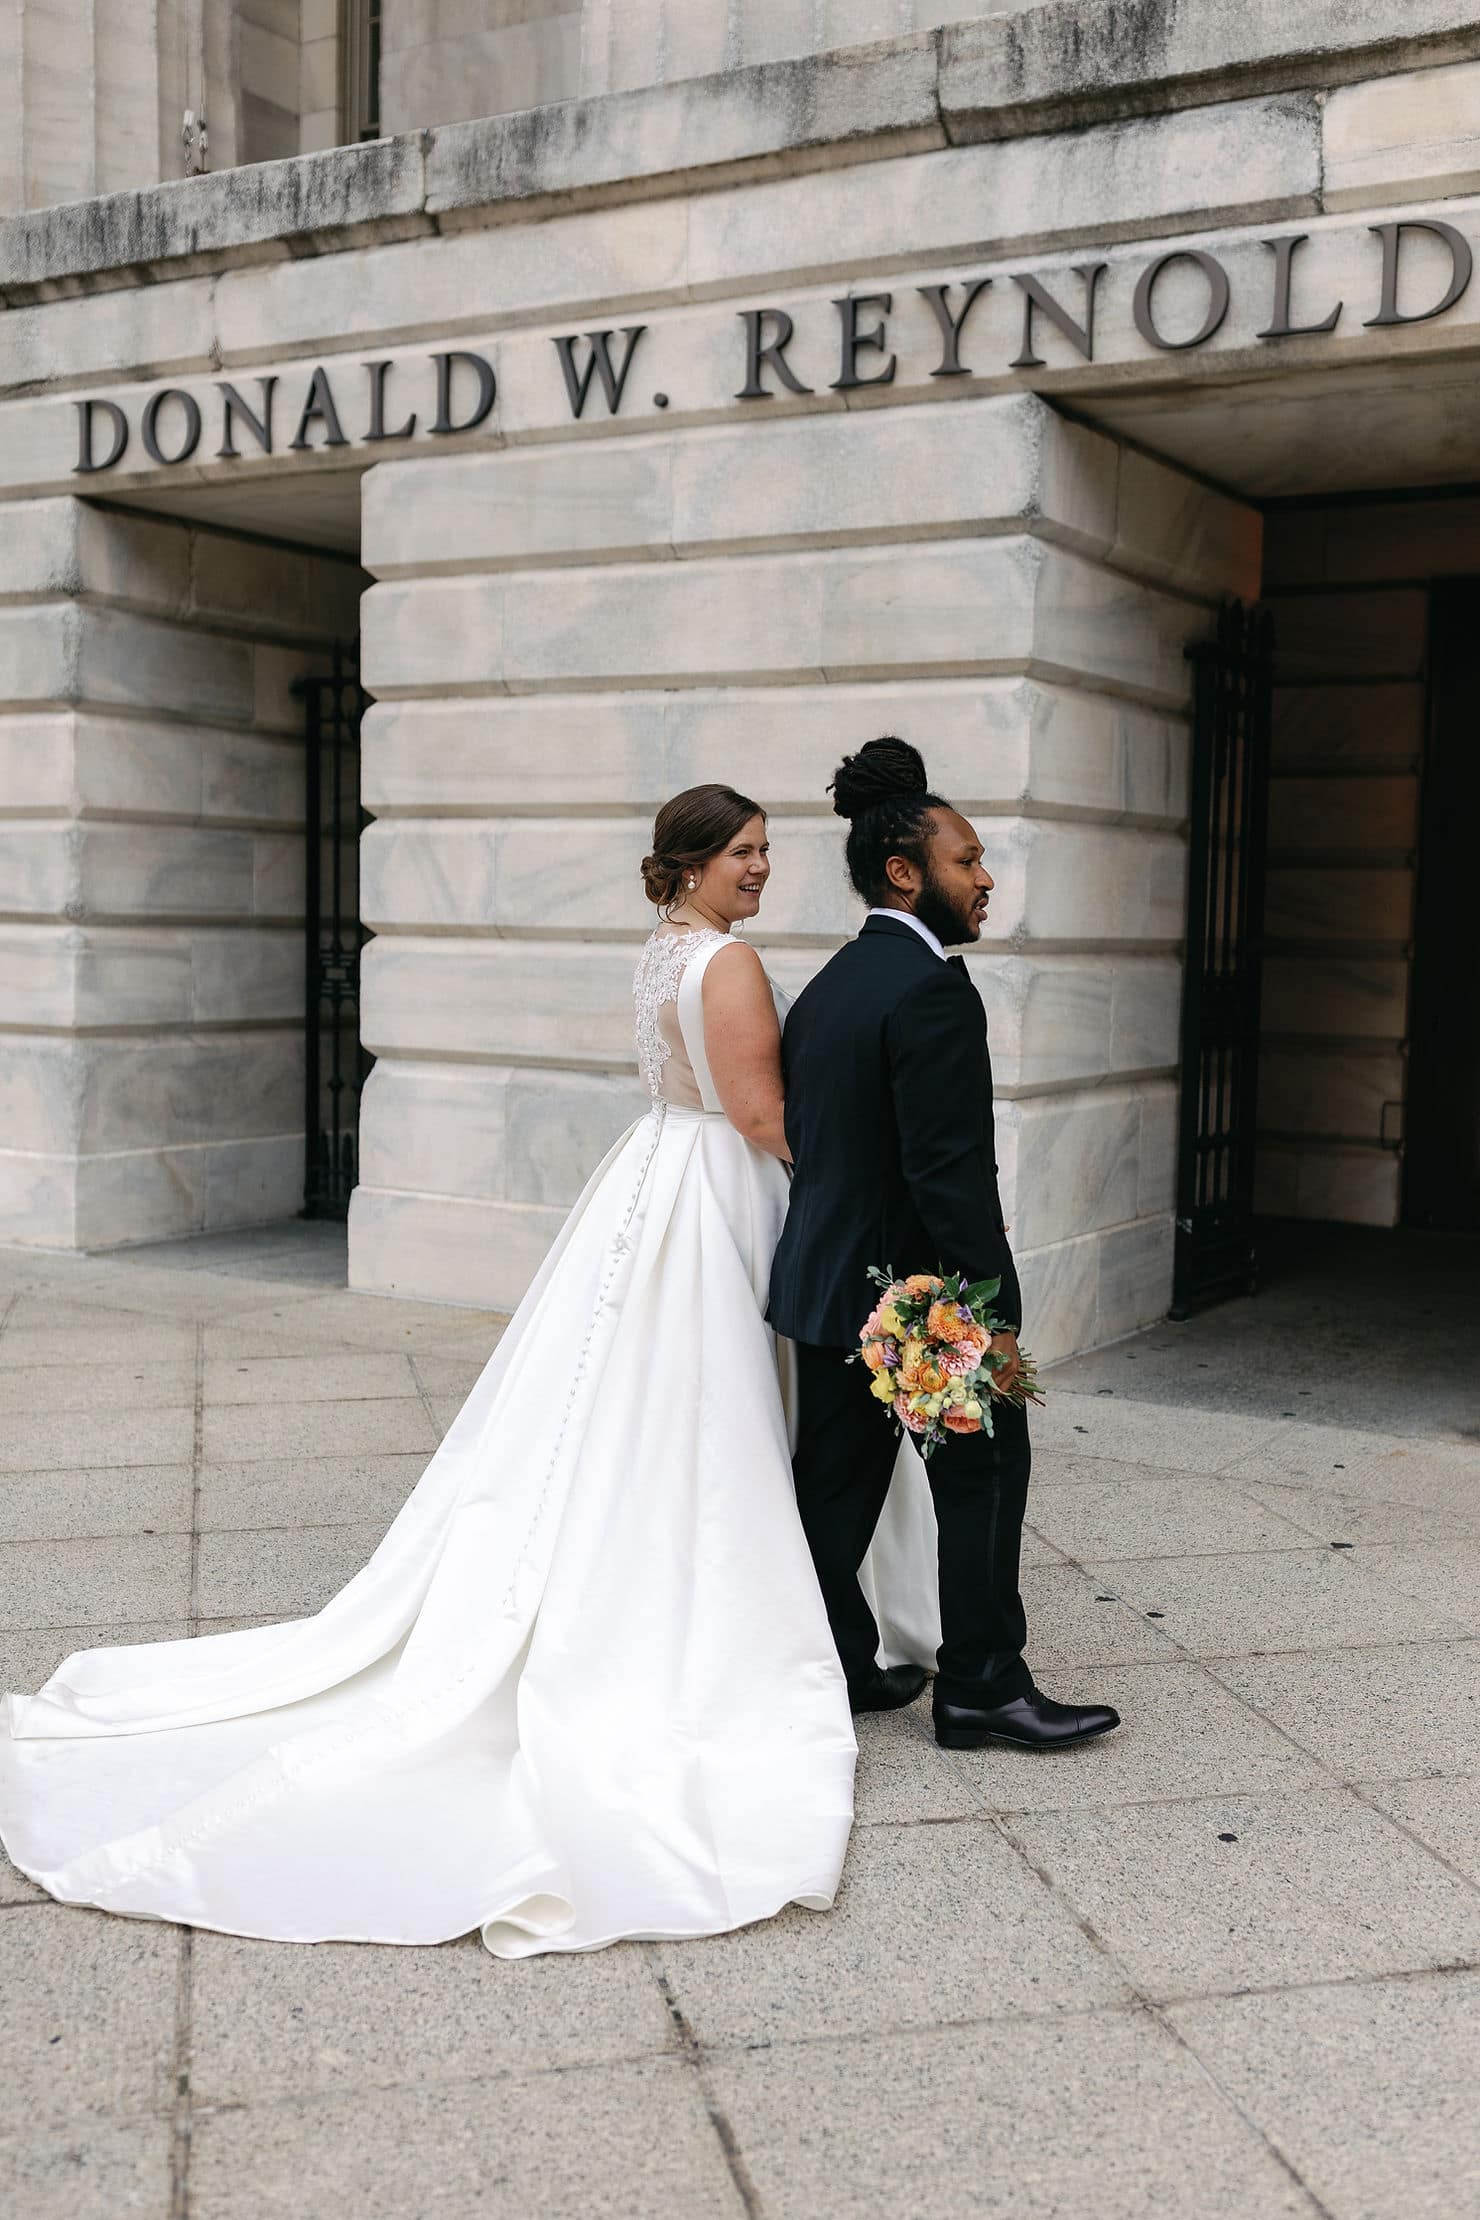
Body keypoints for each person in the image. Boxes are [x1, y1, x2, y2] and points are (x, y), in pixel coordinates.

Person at [0, 786, 857, 1957]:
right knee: (699, 1410)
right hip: (711, 1189)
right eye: (745, 852)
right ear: (693, 864)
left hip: (652, 1171)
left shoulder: (664, 952)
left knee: (629, 1404)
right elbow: (759, 1112)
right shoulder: (730, 966)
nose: (763, 867)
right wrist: (857, 1187)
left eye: (768, 850)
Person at [770, 738, 1121, 1753]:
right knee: (984, 1475)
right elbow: (945, 1174)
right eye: (967, 861)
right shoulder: (928, 989)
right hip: (915, 1303)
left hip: (826, 1283)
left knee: (832, 1487)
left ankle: (824, 1661)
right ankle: (980, 1688)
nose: (985, 878)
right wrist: (990, 1305)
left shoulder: (836, 980)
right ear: (903, 871)